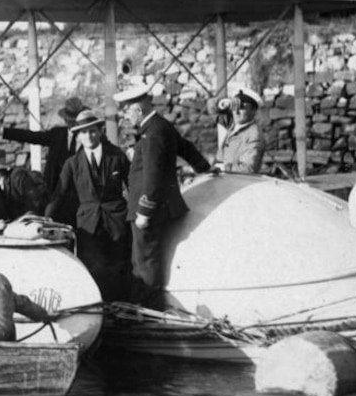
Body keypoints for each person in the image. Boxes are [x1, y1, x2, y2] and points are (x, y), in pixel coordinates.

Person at [116, 83, 211, 309]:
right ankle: (144, 306)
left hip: (149, 208)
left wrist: (144, 211)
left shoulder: (153, 133)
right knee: (142, 259)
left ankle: (150, 310)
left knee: (145, 262)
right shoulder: (160, 126)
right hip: (157, 206)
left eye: (126, 112)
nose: (124, 117)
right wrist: (204, 168)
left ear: (137, 110)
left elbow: (153, 175)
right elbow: (184, 147)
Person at [45, 109, 132, 302]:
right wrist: (45, 219)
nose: (89, 136)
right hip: (88, 225)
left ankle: (121, 310)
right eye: (83, 132)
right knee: (93, 268)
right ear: (78, 136)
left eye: (92, 131)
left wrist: (137, 214)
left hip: (116, 220)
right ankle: (99, 310)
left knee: (119, 266)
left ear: (100, 131)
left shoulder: (117, 156)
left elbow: (132, 186)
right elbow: (59, 193)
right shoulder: (72, 163)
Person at [2, 95, 86, 224]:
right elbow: (32, 137)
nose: (73, 124)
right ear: (65, 120)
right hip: (55, 194)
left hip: (81, 196)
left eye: (76, 121)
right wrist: (4, 132)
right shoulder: (57, 134)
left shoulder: (89, 138)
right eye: (70, 120)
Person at [215, 88, 265, 173]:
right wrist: (224, 102)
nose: (236, 112)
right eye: (234, 107)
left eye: (242, 107)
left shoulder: (254, 135)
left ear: (253, 111)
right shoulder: (234, 126)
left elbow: (248, 169)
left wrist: (223, 168)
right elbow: (213, 107)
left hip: (241, 182)